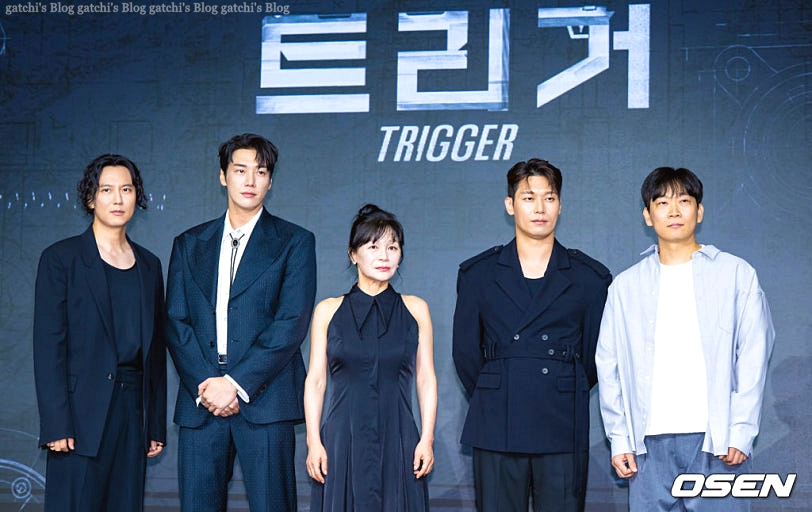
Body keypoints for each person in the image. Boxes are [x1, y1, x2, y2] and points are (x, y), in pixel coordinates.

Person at [595, 167, 775, 511]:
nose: (674, 211)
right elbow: (609, 366)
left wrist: (740, 430)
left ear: (699, 211)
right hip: (647, 447)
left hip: (717, 443)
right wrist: (620, 439)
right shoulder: (625, 286)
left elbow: (753, 356)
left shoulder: (736, 274)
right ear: (648, 216)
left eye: (684, 201)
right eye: (662, 203)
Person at [165, 133, 316, 512]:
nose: (250, 180)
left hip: (265, 401)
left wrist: (235, 384)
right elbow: (176, 321)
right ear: (223, 176)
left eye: (260, 172)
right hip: (201, 401)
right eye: (240, 170)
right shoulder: (189, 243)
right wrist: (208, 385)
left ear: (270, 180)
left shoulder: (295, 241)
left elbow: (291, 322)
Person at [452, 158, 611, 512]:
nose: (540, 208)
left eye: (549, 198)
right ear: (510, 205)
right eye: (528, 198)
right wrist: (501, 385)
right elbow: (465, 354)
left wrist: (560, 383)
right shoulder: (479, 274)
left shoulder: (589, 278)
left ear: (560, 205)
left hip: (561, 420)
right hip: (497, 420)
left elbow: (593, 358)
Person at [33, 154, 167, 512]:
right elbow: (48, 347)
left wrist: (154, 423)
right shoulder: (61, 258)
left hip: (132, 413)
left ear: (137, 196)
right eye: (106, 190)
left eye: (127, 189)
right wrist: (56, 424)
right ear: (90, 198)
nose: (118, 199)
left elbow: (155, 352)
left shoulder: (149, 265)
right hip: (78, 417)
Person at [304, 204, 437, 511]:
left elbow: (426, 378)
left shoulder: (416, 309)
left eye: (393, 247)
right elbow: (316, 381)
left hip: (400, 435)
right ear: (353, 254)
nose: (384, 256)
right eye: (373, 246)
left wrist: (427, 438)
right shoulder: (328, 310)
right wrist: (313, 441)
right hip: (342, 437)